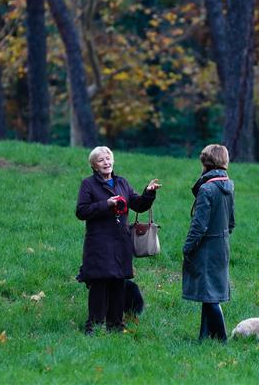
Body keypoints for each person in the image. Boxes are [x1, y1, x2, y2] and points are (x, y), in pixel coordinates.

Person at [76, 146, 161, 335]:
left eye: (108, 158)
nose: (106, 162)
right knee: (99, 284)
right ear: (94, 166)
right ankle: (95, 326)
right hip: (98, 243)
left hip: (121, 242)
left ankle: (115, 326)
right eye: (101, 160)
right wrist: (106, 204)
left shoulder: (122, 183)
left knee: (118, 283)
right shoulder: (88, 185)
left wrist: (148, 192)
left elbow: (138, 205)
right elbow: (81, 211)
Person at [182, 144, 235, 342]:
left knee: (210, 295)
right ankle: (204, 336)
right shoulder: (229, 185)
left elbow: (199, 225)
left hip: (206, 247)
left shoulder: (207, 188)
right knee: (209, 292)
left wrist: (188, 247)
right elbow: (231, 222)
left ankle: (221, 338)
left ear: (206, 162)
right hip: (222, 245)